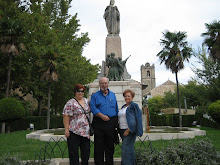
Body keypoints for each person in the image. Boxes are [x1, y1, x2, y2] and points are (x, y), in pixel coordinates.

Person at [90, 77, 118, 165]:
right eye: (102, 83)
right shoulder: (95, 95)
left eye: (105, 83)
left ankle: (110, 163)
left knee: (110, 145)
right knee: (99, 146)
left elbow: (116, 108)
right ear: (99, 84)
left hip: (111, 123)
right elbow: (93, 108)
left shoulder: (113, 95)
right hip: (99, 123)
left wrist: (117, 122)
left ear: (108, 84)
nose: (104, 85)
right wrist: (102, 116)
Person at [63, 84, 91, 165]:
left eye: (82, 91)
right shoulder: (70, 103)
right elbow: (65, 116)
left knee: (86, 154)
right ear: (75, 92)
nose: (80, 93)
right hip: (74, 131)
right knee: (73, 154)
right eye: (78, 91)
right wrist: (66, 130)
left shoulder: (87, 101)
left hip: (85, 132)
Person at [118, 89, 143, 165]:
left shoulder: (134, 106)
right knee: (129, 150)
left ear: (132, 97)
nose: (127, 97)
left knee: (125, 149)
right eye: (125, 96)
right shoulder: (123, 106)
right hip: (122, 130)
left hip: (129, 131)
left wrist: (129, 129)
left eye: (129, 96)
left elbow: (137, 118)